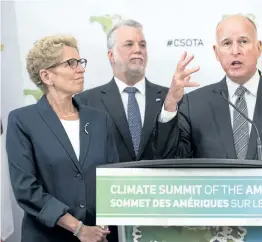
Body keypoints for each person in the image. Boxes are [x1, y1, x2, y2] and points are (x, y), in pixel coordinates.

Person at [153, 15, 262, 242]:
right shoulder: (194, 103)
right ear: (216, 52)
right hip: (215, 233)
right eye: (227, 43)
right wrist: (170, 106)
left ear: (258, 48)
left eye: (244, 42)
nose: (235, 50)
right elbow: (167, 163)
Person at [6, 35, 118, 242]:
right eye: (71, 63)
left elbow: (113, 178)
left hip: (99, 236)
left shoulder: (99, 119)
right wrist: (78, 229)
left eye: (80, 62)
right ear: (47, 76)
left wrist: (101, 227)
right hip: (47, 237)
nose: (81, 68)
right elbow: (26, 189)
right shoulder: (22, 121)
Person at [75, 19, 168, 163]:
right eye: (129, 44)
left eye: (142, 45)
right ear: (111, 55)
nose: (138, 49)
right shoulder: (86, 102)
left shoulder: (170, 99)